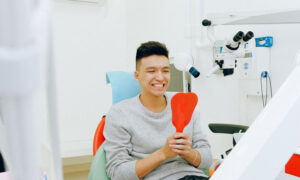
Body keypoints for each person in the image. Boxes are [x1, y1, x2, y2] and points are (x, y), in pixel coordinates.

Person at [103, 41, 212, 180]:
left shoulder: (183, 103)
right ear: (137, 76)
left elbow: (207, 158)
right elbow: (117, 173)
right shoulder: (120, 113)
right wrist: (163, 154)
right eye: (151, 71)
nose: (160, 77)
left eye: (165, 70)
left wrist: (188, 152)